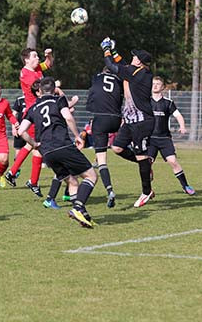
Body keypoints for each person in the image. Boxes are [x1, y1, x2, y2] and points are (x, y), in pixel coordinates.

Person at [18, 77, 98, 228]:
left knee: (72, 181)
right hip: (62, 145)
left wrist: (34, 144)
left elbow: (21, 131)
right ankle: (78, 208)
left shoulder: (33, 108)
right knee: (91, 176)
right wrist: (77, 136)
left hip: (47, 152)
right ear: (54, 89)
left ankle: (82, 215)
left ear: (40, 91)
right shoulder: (58, 100)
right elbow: (68, 117)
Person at [101, 37, 155, 208]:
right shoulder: (135, 70)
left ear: (140, 63)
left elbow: (113, 66)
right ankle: (145, 163)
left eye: (135, 57)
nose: (133, 57)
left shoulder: (141, 74)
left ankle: (146, 192)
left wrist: (107, 50)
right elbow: (123, 64)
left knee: (140, 155)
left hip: (142, 121)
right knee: (117, 148)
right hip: (131, 120)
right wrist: (115, 51)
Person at [4, 47, 54, 197]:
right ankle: (32, 181)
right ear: (26, 59)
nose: (37, 58)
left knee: (32, 145)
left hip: (38, 111)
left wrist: (49, 56)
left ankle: (13, 173)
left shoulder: (36, 68)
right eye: (34, 56)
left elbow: (48, 64)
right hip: (35, 113)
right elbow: (41, 89)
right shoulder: (26, 74)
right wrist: (56, 89)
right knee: (37, 146)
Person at [149, 76, 195, 195]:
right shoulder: (146, 101)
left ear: (163, 87)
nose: (155, 86)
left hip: (164, 138)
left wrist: (182, 126)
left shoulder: (168, 103)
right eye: (153, 83)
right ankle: (147, 190)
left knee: (173, 162)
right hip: (150, 138)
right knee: (147, 164)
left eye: (158, 84)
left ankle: (185, 186)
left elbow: (178, 115)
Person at [85, 66, 124, 208]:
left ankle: (110, 190)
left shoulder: (97, 77)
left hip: (101, 119)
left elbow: (93, 94)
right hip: (116, 118)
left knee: (103, 161)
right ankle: (143, 162)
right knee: (119, 147)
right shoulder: (119, 80)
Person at [11, 95, 27, 178]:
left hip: (33, 130)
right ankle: (15, 171)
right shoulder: (20, 100)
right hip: (21, 129)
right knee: (18, 151)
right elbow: (14, 114)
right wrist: (14, 127)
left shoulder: (37, 98)